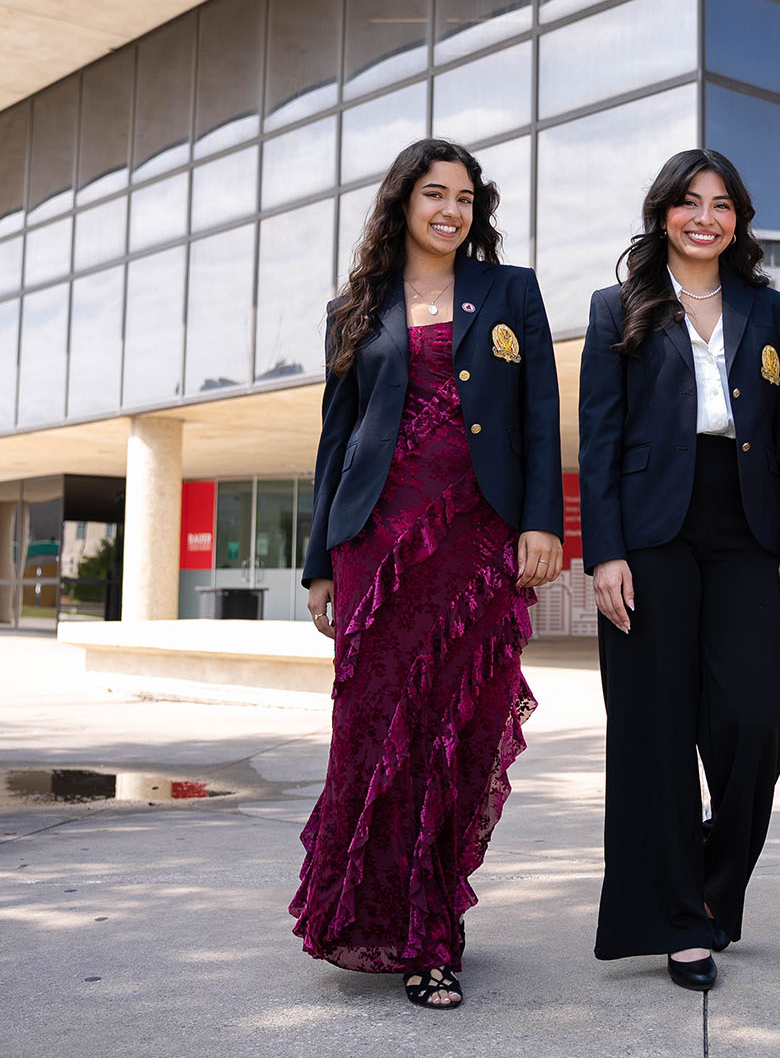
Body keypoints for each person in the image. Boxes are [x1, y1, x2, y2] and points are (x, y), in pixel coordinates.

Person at [291, 138, 563, 1010]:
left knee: (463, 730)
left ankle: (433, 929)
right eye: (434, 194)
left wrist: (541, 524)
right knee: (376, 735)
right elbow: (336, 439)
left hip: (479, 542)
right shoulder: (355, 306)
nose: (450, 210)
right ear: (403, 202)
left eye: (465, 198)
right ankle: (375, 918)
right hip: (377, 540)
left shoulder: (510, 290)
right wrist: (320, 563)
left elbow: (540, 414)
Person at [578, 149, 780, 992]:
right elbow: (597, 440)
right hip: (649, 534)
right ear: (664, 214)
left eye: (721, 203)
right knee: (655, 731)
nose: (705, 217)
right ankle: (679, 922)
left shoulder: (767, 309)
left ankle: (712, 880)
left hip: (747, 526)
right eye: (689, 202)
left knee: (757, 721)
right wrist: (602, 551)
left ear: (739, 218)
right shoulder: (619, 309)